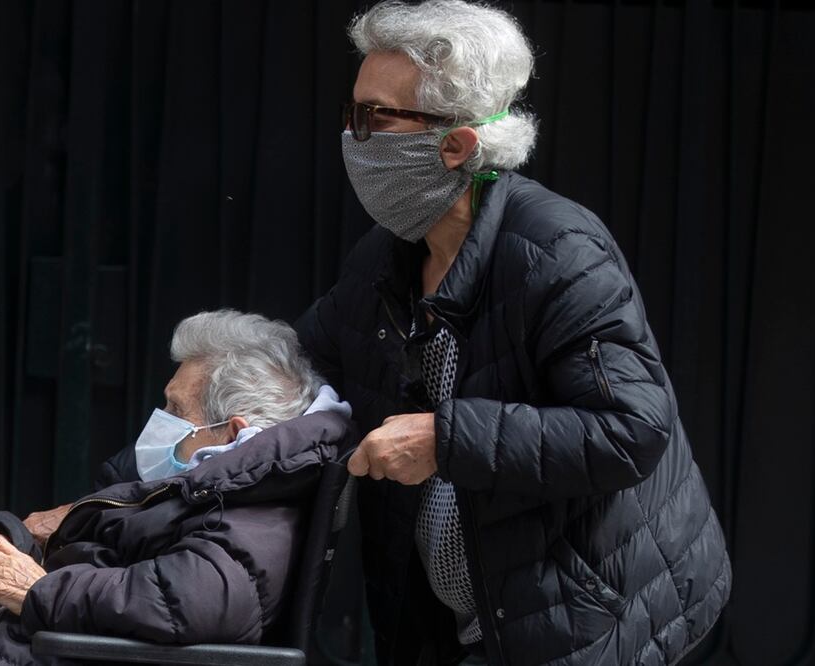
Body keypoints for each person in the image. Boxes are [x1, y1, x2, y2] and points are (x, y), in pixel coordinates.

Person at [295, 1, 731, 664]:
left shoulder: (556, 250)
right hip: (458, 618)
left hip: (587, 614)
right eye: (350, 113)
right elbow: (307, 364)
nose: (351, 137)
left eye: (373, 117)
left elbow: (631, 429)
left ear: (457, 144)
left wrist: (447, 439)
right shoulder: (385, 258)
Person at [0, 310, 355, 664]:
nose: (160, 418)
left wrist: (36, 590)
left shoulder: (256, 504)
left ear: (231, 432)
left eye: (174, 406)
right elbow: (103, 551)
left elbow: (188, 601)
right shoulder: (213, 484)